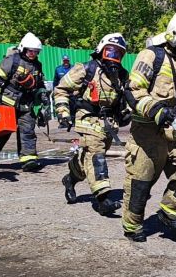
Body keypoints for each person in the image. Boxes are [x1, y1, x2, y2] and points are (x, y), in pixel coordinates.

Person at [121, 11, 176, 242]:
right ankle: (132, 225)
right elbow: (133, 90)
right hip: (148, 129)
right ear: (174, 37)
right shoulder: (152, 55)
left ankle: (170, 213)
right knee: (141, 181)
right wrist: (156, 109)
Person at [55, 33, 131, 216]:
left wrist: (127, 112)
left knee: (87, 158)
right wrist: (63, 112)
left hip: (108, 124)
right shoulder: (86, 69)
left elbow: (126, 98)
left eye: (119, 54)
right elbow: (61, 89)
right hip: (88, 119)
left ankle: (70, 179)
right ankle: (103, 199)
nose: (115, 57)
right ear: (101, 50)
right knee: (96, 155)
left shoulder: (121, 74)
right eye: (111, 52)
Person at [0, 32, 48, 172]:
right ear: (23, 48)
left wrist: (42, 94)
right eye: (30, 51)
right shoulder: (12, 61)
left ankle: (28, 159)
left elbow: (39, 84)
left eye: (36, 51)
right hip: (8, 102)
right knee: (4, 132)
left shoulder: (37, 65)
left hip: (26, 103)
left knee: (28, 130)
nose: (33, 54)